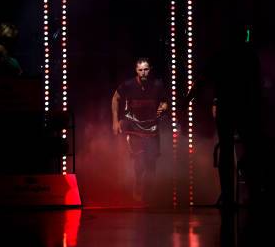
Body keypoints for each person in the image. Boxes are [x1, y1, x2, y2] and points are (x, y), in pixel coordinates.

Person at [183, 25, 263, 208]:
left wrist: (187, 100)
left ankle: (231, 195)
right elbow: (256, 85)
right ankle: (252, 193)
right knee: (246, 149)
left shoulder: (222, 55)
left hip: (230, 107)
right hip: (243, 108)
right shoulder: (249, 56)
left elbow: (202, 80)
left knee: (228, 150)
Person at [112, 58, 168, 202]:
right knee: (140, 160)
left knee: (151, 162)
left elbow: (164, 101)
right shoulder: (129, 85)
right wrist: (115, 121)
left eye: (146, 69)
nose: (143, 72)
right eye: (140, 70)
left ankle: (149, 192)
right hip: (134, 127)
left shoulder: (157, 85)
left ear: (150, 69)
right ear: (136, 70)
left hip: (152, 128)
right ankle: (138, 184)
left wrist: (163, 106)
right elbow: (115, 98)